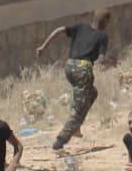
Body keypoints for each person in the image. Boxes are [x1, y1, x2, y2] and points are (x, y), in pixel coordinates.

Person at [38, 9, 112, 149]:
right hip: (83, 71)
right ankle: (61, 140)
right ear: (105, 21)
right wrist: (111, 62)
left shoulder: (81, 27)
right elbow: (101, 60)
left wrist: (43, 47)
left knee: (92, 94)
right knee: (79, 108)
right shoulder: (102, 36)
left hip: (69, 67)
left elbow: (59, 30)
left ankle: (76, 127)